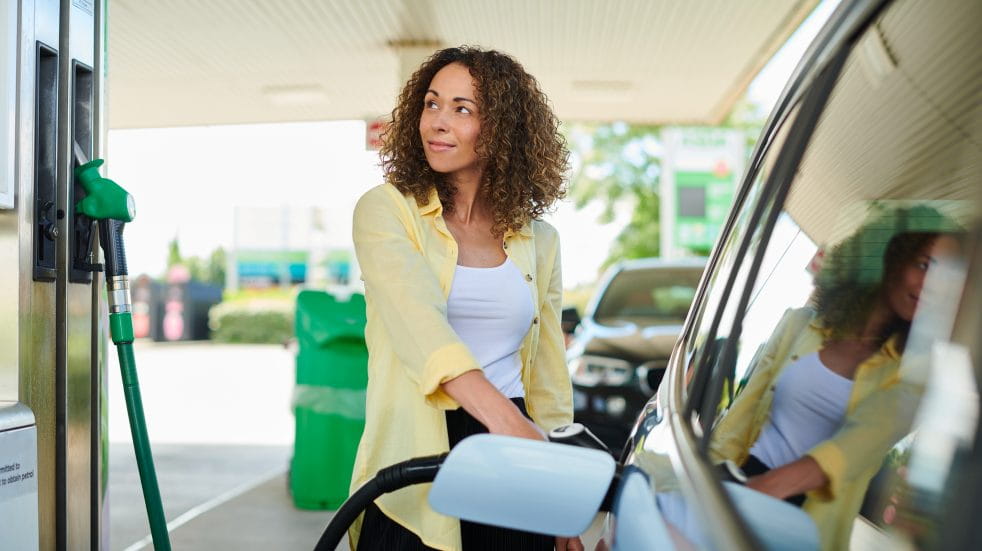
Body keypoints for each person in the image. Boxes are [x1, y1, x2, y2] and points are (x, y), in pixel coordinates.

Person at [348, 46, 583, 551]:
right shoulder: (387, 212)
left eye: (462, 109)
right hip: (418, 453)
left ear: (501, 129)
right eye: (431, 104)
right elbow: (419, 325)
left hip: (514, 460)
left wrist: (561, 491)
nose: (437, 121)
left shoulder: (539, 241)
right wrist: (506, 423)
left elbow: (547, 375)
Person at [709, 206, 960, 550]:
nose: (933, 285)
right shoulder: (799, 325)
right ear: (888, 257)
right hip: (736, 479)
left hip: (801, 522)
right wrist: (702, 483)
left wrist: (761, 491)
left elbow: (855, 446)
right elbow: (739, 420)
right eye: (923, 264)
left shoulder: (916, 375)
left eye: (948, 276)